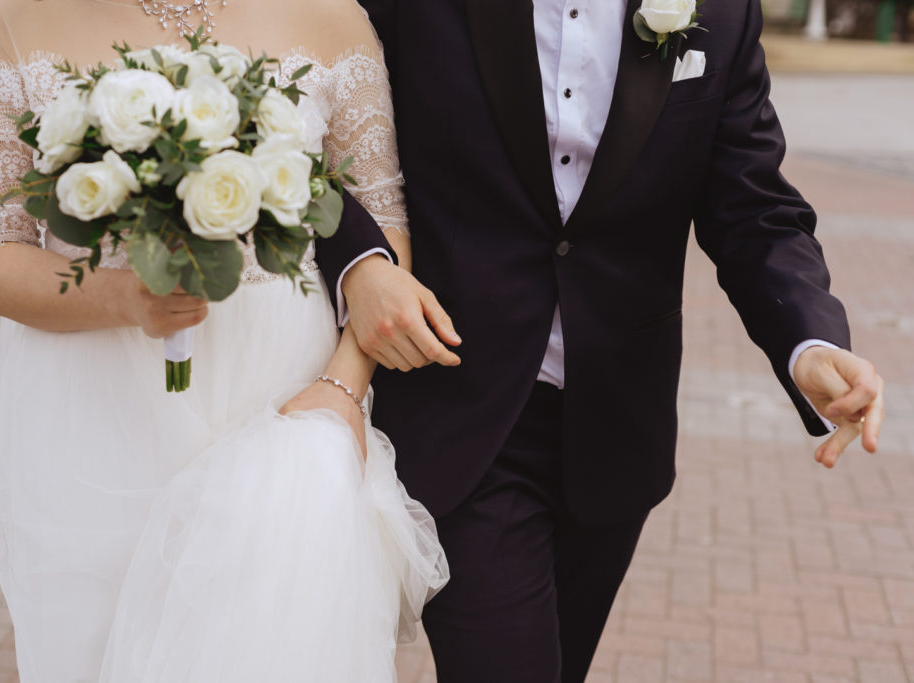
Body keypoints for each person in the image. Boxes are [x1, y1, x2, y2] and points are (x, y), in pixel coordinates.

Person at [317, 0, 886, 680]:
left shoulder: (723, 13)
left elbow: (755, 209)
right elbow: (316, 116)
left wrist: (811, 342)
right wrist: (361, 264)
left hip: (616, 429)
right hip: (464, 406)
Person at [0, 0, 446, 680]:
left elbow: (383, 232)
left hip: (283, 402)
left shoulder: (332, 14)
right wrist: (126, 294)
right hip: (96, 417)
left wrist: (341, 389)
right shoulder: (9, 16)